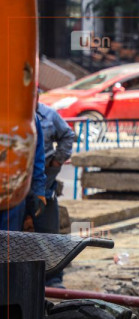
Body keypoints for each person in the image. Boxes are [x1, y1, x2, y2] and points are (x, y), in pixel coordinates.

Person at [34, 102, 75, 286]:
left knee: (49, 234)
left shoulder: (48, 115)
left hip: (45, 185)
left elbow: (68, 135)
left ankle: (53, 279)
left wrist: (58, 161)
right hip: (18, 188)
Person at [2, 114, 46, 232]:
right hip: (13, 194)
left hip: (13, 195)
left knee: (10, 242)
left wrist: (38, 191)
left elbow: (36, 157)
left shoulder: (27, 115)